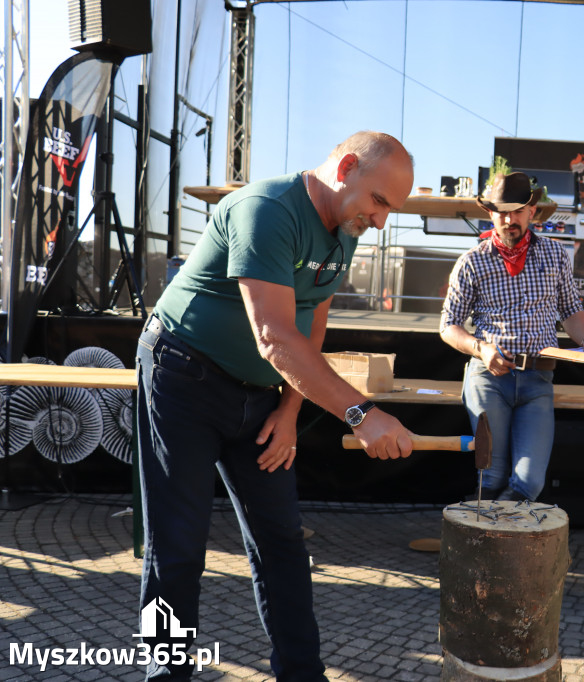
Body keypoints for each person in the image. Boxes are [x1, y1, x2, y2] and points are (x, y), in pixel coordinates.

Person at [135, 131, 416, 681]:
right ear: (348, 166)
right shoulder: (267, 209)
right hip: (182, 378)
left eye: (391, 211)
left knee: (283, 542)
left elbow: (312, 326)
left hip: (261, 399)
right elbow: (275, 337)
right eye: (379, 201)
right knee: (178, 548)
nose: (381, 221)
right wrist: (360, 413)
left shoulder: (346, 229)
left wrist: (289, 414)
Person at [440, 172, 584, 501]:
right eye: (502, 211)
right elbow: (448, 325)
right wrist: (481, 348)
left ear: (532, 210)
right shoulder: (472, 262)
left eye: (517, 210)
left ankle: (493, 534)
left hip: (538, 379)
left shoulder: (555, 255)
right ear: (490, 213)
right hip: (488, 377)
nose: (509, 219)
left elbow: (570, 310)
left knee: (529, 483)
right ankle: (484, 544)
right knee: (493, 475)